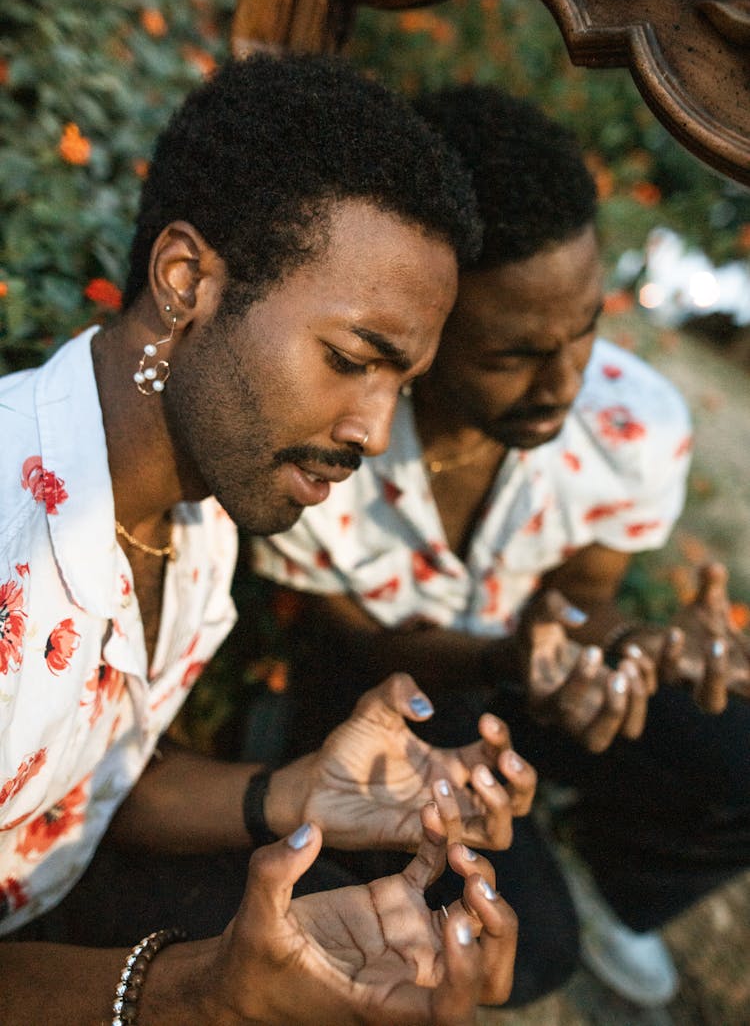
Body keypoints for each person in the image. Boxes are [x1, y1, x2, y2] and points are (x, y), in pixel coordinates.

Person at [0, 57, 535, 1025]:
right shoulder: (13, 548)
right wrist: (195, 994)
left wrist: (303, 793)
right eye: (349, 360)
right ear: (186, 282)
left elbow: (95, 780)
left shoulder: (202, 522)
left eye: (400, 384)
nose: (373, 431)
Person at [251, 84, 750, 1008]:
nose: (566, 381)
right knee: (527, 950)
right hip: (380, 697)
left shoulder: (629, 422)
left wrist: (623, 649)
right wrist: (513, 658)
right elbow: (356, 637)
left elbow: (579, 593)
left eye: (586, 327)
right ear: (423, 328)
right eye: (513, 353)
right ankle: (523, 867)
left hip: (519, 678)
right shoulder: (325, 427)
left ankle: (612, 880)